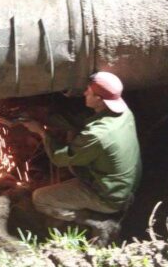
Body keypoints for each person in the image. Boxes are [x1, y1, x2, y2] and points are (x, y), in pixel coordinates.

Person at [23, 71, 142, 245]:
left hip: (109, 196)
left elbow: (59, 158)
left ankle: (95, 221)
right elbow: (84, 124)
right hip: (126, 187)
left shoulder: (97, 135)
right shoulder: (124, 113)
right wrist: (47, 117)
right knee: (75, 140)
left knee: (40, 198)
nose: (85, 92)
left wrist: (41, 132)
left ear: (100, 99)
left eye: (89, 91)